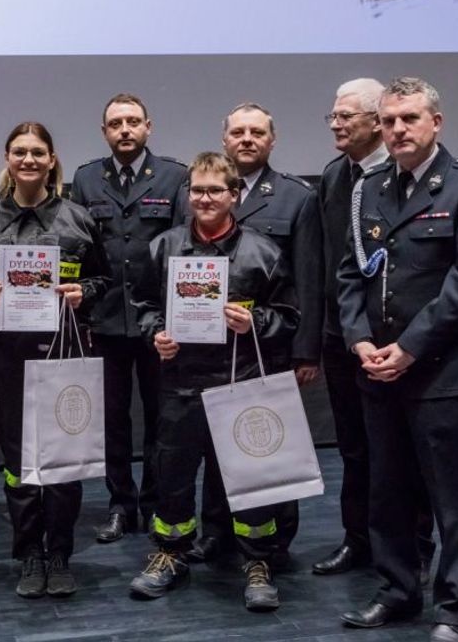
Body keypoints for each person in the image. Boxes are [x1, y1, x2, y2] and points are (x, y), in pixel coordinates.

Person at [337, 77, 458, 642]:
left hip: (440, 372)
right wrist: (359, 339)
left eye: (409, 118)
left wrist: (409, 347)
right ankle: (399, 593)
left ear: (436, 122)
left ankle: (455, 609)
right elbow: (350, 273)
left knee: (452, 499)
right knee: (387, 494)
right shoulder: (370, 189)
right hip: (377, 370)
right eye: (388, 121)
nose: (398, 130)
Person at [128, 152, 298, 611]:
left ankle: (257, 561)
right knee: (174, 478)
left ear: (234, 195)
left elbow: (289, 316)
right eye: (197, 190)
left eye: (215, 190)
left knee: (250, 481)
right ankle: (169, 553)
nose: (205, 198)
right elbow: (142, 307)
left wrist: (255, 321)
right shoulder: (162, 248)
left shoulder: (264, 253)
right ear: (188, 195)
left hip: (240, 383)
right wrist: (155, 334)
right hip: (180, 386)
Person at [0, 122, 110, 598]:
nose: (28, 160)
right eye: (19, 152)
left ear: (51, 159)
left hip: (65, 355)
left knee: (62, 464)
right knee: (21, 467)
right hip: (7, 359)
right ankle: (29, 555)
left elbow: (104, 281)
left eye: (37, 153)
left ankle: (59, 553)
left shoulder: (79, 219)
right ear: (7, 158)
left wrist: (84, 292)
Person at [186, 102, 321, 564]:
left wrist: (306, 352)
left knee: (263, 446)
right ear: (225, 139)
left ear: (272, 140)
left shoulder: (296, 197)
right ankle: (216, 533)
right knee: (212, 444)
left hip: (266, 348)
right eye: (238, 132)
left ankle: (274, 541)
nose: (247, 139)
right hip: (204, 350)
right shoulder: (201, 190)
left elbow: (306, 278)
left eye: (257, 132)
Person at [313, 80, 435, 579]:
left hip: (394, 338)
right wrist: (342, 332)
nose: (337, 125)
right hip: (347, 335)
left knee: (406, 449)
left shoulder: (399, 175)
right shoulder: (334, 176)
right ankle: (358, 539)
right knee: (355, 446)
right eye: (333, 117)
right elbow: (333, 263)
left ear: (374, 121)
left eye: (347, 116)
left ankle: (419, 546)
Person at [69, 93, 186, 543]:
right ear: (104, 132)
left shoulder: (175, 176)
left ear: (148, 127)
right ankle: (121, 503)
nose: (124, 130)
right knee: (112, 420)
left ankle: (156, 500)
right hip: (103, 320)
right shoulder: (86, 178)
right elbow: (80, 249)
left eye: (133, 122)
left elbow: (179, 248)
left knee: (161, 416)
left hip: (155, 322)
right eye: (115, 123)